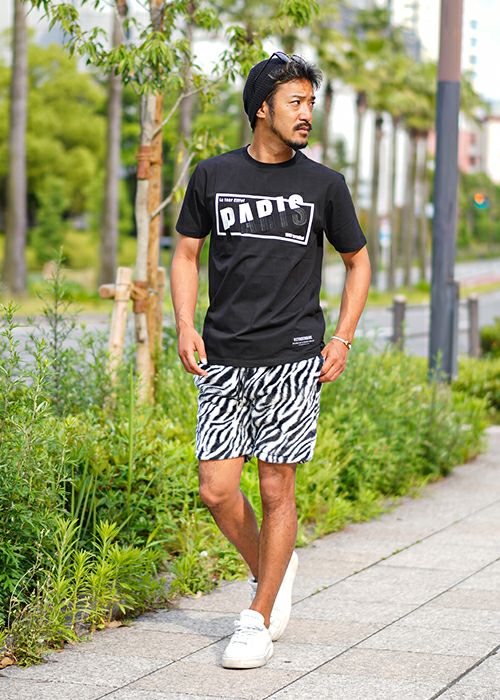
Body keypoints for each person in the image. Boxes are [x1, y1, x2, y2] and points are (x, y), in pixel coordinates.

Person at [170, 51, 371, 669]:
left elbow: (358, 262)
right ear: (263, 108)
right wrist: (184, 323)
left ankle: (256, 618)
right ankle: (273, 570)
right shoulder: (212, 175)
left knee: (275, 486)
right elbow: (185, 255)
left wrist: (341, 338)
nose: (307, 113)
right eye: (295, 102)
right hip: (223, 357)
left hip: (292, 356)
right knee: (215, 489)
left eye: (311, 103)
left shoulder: (325, 185)